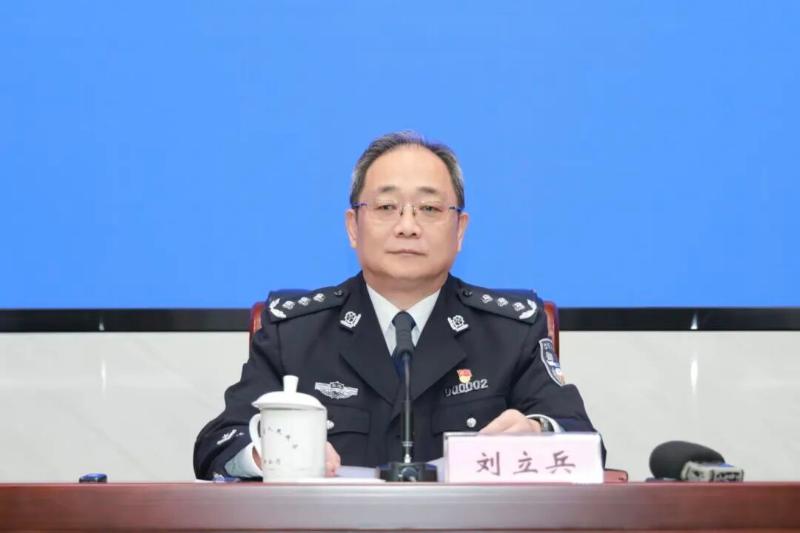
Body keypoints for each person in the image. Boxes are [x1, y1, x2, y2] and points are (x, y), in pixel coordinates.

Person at [194, 131, 601, 480]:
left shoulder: (510, 332)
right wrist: (266, 453)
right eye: (387, 207)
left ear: (460, 230)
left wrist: (538, 433)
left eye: (430, 209)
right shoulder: (294, 333)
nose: (408, 226)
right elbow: (219, 443)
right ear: (353, 227)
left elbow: (586, 443)